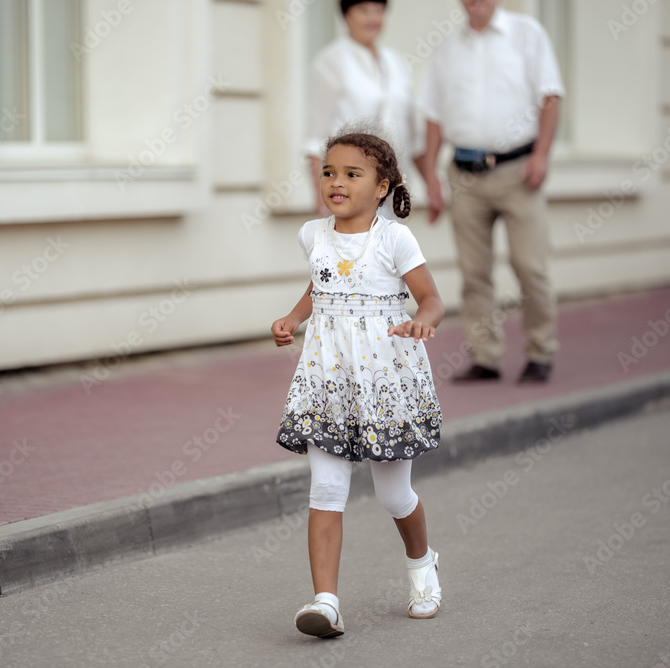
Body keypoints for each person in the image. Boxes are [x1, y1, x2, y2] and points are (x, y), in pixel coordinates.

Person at [272, 130, 444, 637]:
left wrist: (422, 320)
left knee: (394, 496)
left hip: (384, 378)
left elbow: (430, 297)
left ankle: (422, 564)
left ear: (382, 186)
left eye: (352, 174)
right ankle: (325, 603)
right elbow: (320, 284)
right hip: (327, 378)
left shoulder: (394, 238)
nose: (336, 182)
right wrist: (293, 317)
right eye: (329, 172)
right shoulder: (312, 234)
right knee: (325, 487)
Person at [418, 0, 564, 383]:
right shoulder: (447, 48)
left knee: (530, 267)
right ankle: (485, 358)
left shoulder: (527, 34)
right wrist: (431, 175)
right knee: (474, 273)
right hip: (464, 176)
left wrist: (542, 155)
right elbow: (432, 115)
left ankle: (540, 351)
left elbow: (550, 96)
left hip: (519, 171)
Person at [306, 0, 423, 217]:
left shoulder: (396, 62)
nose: (372, 18)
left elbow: (413, 136)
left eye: (378, 11)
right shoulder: (331, 62)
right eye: (363, 11)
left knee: (390, 249)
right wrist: (322, 200)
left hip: (391, 191)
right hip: (349, 192)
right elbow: (316, 140)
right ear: (346, 15)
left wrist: (431, 183)